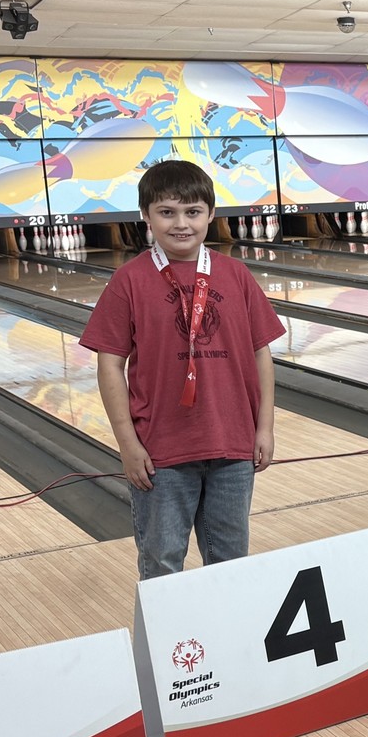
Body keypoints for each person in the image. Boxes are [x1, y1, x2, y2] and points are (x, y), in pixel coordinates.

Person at [80, 160, 285, 579]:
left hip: (233, 446)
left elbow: (261, 353)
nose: (181, 224)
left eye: (192, 212)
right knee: (161, 562)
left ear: (211, 214)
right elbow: (109, 364)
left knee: (229, 564)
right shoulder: (129, 281)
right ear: (146, 216)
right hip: (161, 452)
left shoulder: (236, 275)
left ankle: (226, 643)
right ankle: (171, 647)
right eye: (167, 212)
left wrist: (264, 428)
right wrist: (127, 443)